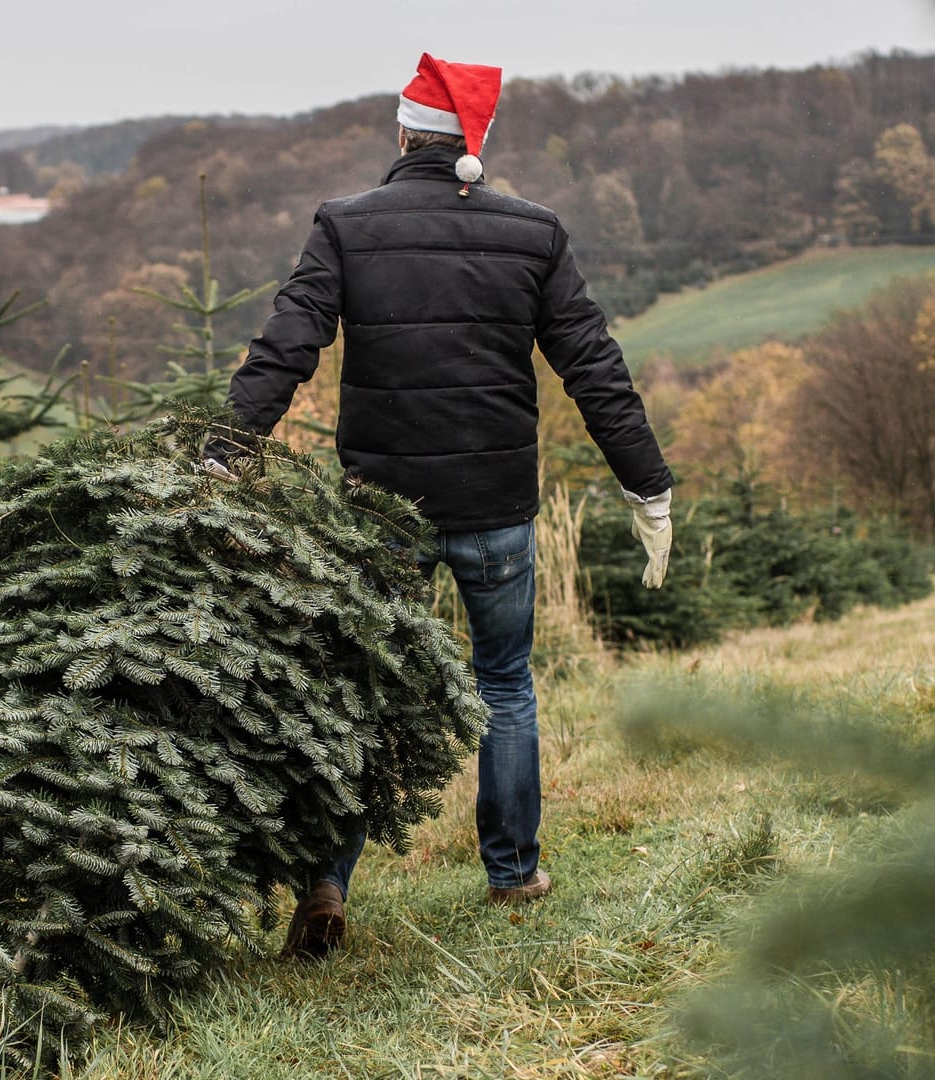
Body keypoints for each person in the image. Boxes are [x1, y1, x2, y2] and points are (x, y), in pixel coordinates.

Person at [215, 52, 674, 959]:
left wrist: (223, 455)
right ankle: (513, 873)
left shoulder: (345, 227)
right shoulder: (533, 233)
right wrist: (646, 484)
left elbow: (286, 346)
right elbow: (595, 367)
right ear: (475, 141)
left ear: (402, 134)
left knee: (358, 691)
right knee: (504, 683)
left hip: (381, 511)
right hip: (497, 509)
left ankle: (326, 882)